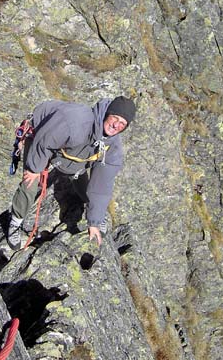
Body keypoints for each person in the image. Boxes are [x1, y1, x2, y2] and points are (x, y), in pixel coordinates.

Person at [7, 96, 136, 251]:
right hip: (42, 135)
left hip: (71, 149)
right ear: (107, 113)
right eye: (115, 118)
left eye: (122, 124)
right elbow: (44, 141)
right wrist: (35, 168)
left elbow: (101, 186)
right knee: (30, 182)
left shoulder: (112, 149)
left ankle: (93, 212)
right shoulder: (75, 122)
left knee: (79, 175)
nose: (116, 125)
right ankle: (15, 222)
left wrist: (94, 221)